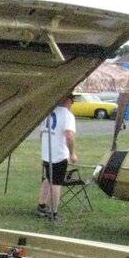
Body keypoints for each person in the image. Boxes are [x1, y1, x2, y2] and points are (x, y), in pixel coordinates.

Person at [37, 93, 77, 221]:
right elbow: (69, 136)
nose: (72, 103)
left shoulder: (48, 112)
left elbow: (41, 134)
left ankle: (41, 205)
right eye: (72, 100)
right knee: (56, 184)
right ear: (67, 100)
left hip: (47, 153)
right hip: (59, 154)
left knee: (48, 178)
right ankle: (53, 212)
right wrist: (72, 153)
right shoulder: (67, 115)